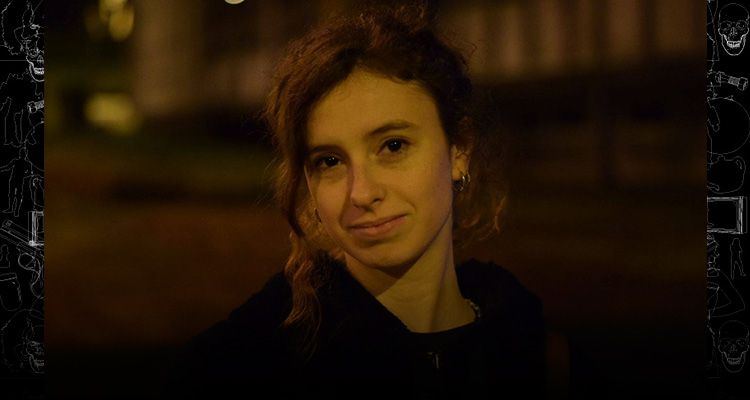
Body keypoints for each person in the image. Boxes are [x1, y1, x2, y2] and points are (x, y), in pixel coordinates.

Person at [169, 4, 578, 399]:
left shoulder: (524, 345)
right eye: (329, 161)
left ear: (459, 151)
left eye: (393, 145)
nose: (362, 193)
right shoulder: (251, 362)